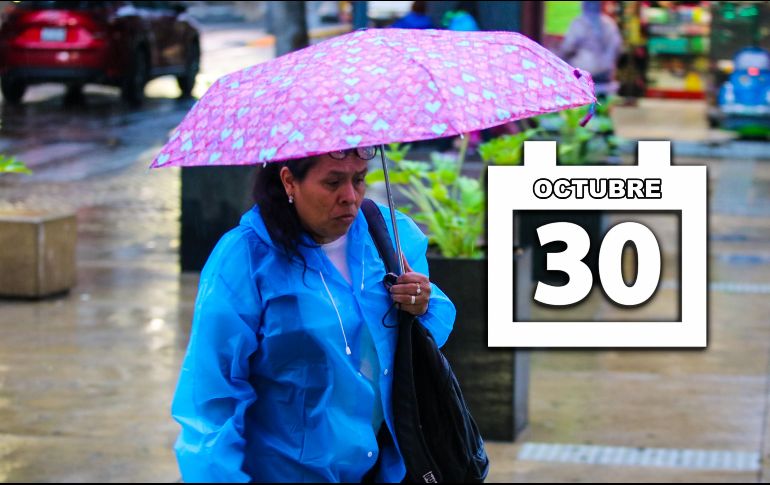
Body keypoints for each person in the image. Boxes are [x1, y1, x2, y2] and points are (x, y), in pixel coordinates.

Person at [171, 146, 456, 482]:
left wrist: (421, 304)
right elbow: (211, 400)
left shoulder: (388, 237)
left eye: (359, 179)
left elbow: (423, 338)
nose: (350, 197)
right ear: (290, 181)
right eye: (333, 182)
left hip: (384, 468)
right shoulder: (244, 260)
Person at [559, 1, 622, 97]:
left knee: (582, 109)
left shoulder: (578, 23)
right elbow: (617, 48)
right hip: (604, 77)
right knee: (601, 108)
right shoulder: (609, 24)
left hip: (582, 76)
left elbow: (567, 48)